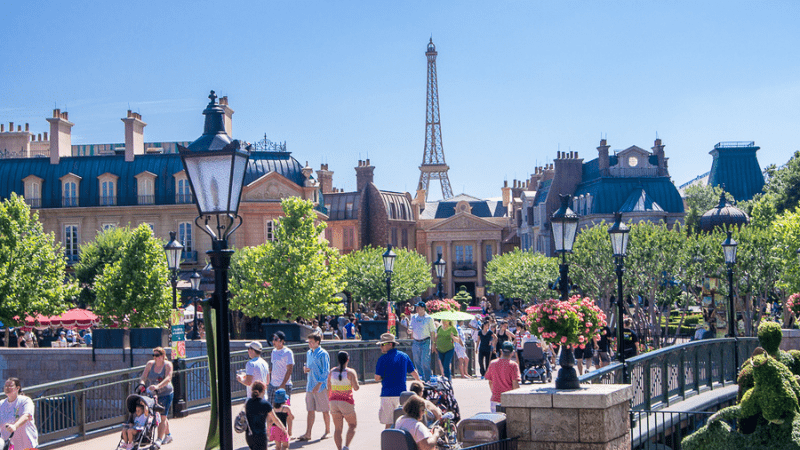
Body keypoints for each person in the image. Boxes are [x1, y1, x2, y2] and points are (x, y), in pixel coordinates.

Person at [375, 333, 420, 429]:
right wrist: (420, 382)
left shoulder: (382, 359)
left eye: (383, 344)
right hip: (401, 395)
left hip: (386, 394)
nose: (381, 347)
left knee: (388, 423)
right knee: (403, 422)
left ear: (390, 344)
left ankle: (387, 443)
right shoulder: (404, 356)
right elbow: (413, 372)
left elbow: (377, 378)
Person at [297, 332, 330, 441]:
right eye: (309, 342)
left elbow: (326, 371)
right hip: (310, 385)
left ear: (317, 342)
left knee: (325, 409)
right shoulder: (309, 353)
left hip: (320, 386)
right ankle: (308, 433)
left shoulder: (323, 353)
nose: (309, 344)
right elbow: (310, 366)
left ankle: (327, 431)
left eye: (311, 342)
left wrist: (319, 384)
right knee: (310, 410)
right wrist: (306, 369)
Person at [141, 347, 174, 447]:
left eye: (157, 355)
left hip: (166, 393)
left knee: (162, 416)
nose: (155, 357)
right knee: (158, 415)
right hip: (154, 393)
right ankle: (168, 435)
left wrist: (158, 386)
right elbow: (144, 376)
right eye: (153, 355)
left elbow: (168, 378)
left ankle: (159, 439)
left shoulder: (167, 365)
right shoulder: (150, 364)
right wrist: (142, 384)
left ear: (163, 356)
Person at [328, 351, 359, 450]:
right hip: (346, 401)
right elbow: (356, 387)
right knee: (352, 425)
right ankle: (346, 446)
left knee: (337, 429)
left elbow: (329, 387)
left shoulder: (332, 371)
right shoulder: (350, 372)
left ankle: (339, 449)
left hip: (333, 401)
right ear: (348, 360)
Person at [245, 381, 286, 450]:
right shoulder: (266, 404)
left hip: (249, 435)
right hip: (261, 435)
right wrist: (283, 429)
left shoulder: (248, 402)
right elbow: (275, 419)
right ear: (263, 391)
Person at [0, 378, 38, 449]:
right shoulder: (1, 404)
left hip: (27, 444)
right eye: (6, 386)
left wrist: (15, 426)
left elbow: (26, 416)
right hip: (10, 445)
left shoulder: (25, 400)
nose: (7, 388)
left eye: (10, 386)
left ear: (17, 388)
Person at [484, 341, 520, 413]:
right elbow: (515, 384)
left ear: (501, 351)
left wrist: (494, 392)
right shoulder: (513, 365)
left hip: (495, 399)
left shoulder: (493, 363)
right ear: (512, 353)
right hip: (508, 400)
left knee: (496, 422)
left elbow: (490, 382)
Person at [409, 300, 437, 382]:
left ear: (423, 309)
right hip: (416, 342)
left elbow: (432, 332)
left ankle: (427, 379)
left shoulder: (429, 318)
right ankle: (421, 379)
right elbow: (411, 327)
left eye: (419, 307)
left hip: (426, 341)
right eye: (417, 307)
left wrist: (433, 344)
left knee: (425, 361)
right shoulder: (413, 317)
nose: (417, 309)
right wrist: (409, 331)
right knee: (417, 361)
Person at [268, 331, 294, 405]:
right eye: (273, 339)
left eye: (276, 339)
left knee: (285, 408)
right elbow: (274, 367)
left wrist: (283, 384)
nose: (273, 341)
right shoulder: (273, 351)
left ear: (282, 341)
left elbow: (290, 370)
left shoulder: (288, 352)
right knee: (270, 409)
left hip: (285, 385)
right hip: (273, 385)